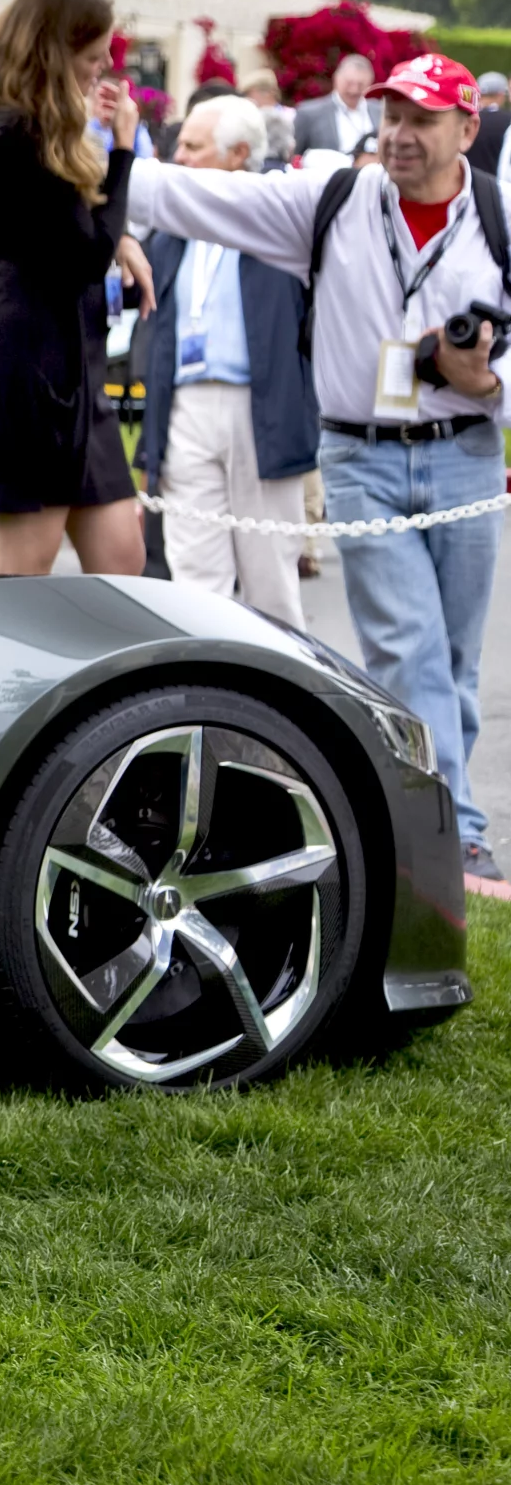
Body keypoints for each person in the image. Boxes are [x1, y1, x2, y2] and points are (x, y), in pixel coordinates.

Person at [128, 52, 510, 881]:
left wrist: (487, 380)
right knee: (407, 646)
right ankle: (453, 830)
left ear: (468, 128)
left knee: (456, 662)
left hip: (468, 459)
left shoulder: (497, 215)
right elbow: (188, 194)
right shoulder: (330, 198)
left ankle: (432, 808)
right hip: (361, 455)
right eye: (392, 116)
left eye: (422, 120)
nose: (400, 135)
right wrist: (96, 151)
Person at [0, 0, 152, 578]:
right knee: (23, 576)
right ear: (56, 52)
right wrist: (123, 149)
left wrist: (120, 224)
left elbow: (80, 233)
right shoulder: (12, 133)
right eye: (92, 56)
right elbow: (87, 252)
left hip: (71, 363)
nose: (105, 66)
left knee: (121, 561)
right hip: (30, 369)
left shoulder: (37, 130)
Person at [128, 94, 315, 628]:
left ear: (237, 154)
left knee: (269, 586)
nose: (177, 157)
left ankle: (280, 709)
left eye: (191, 146)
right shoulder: (170, 231)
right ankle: (210, 709)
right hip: (186, 409)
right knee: (196, 589)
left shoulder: (286, 218)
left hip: (263, 411)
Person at [294, 51, 380, 155]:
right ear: (336, 79)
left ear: (370, 83)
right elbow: (295, 157)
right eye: (349, 83)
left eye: (360, 85)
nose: (354, 90)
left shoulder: (381, 111)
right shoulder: (309, 114)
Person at [472, 71, 508, 182]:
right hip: (499, 189)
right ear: (501, 95)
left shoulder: (466, 120)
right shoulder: (508, 120)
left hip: (468, 187)